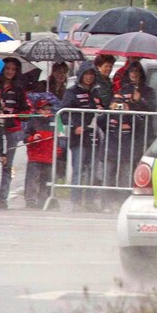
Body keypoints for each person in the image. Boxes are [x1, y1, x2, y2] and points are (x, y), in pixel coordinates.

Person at [61, 61, 100, 211]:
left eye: (91, 74)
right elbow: (63, 113)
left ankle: (90, 200)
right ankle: (76, 201)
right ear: (81, 75)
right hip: (77, 138)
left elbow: (101, 110)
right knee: (78, 169)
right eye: (86, 74)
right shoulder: (72, 92)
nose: (89, 77)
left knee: (92, 170)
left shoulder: (96, 92)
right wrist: (74, 126)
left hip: (93, 135)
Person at [0, 57, 30, 207]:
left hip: (12, 130)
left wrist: (20, 115)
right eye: (7, 68)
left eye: (13, 69)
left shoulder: (19, 89)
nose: (10, 72)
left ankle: (2, 198)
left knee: (7, 165)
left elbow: (26, 109)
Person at [119, 61, 157, 163]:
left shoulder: (149, 90)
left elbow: (152, 107)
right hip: (127, 131)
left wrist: (140, 100)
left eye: (137, 71)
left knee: (141, 160)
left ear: (141, 73)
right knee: (127, 160)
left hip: (144, 131)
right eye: (132, 71)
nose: (134, 74)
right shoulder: (124, 89)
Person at [24, 99, 58, 209]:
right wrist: (32, 138)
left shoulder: (55, 121)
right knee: (32, 180)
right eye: (44, 109)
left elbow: (62, 137)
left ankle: (43, 201)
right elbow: (24, 137)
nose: (47, 111)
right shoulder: (32, 121)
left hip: (49, 157)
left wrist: (58, 150)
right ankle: (30, 201)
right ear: (38, 110)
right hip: (35, 156)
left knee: (46, 181)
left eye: (48, 109)